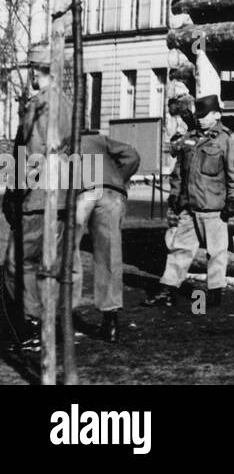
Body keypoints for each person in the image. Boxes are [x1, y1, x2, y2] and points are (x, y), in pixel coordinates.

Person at [2, 47, 80, 350]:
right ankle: (49, 324)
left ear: (36, 71)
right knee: (51, 263)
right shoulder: (68, 104)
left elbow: (32, 156)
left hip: (37, 198)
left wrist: (15, 191)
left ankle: (31, 325)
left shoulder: (39, 107)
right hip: (61, 197)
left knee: (17, 264)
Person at [144, 94, 234, 312]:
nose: (200, 120)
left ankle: (214, 294)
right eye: (198, 116)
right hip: (188, 206)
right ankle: (168, 290)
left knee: (216, 252)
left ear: (217, 115)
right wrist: (175, 196)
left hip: (213, 207)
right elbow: (178, 172)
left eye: (205, 115)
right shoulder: (190, 139)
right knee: (179, 249)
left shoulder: (228, 140)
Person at [75, 128, 140, 343]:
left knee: (67, 248)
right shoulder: (99, 139)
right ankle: (110, 320)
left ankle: (63, 310)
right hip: (111, 193)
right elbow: (132, 155)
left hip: (82, 193)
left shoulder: (61, 139)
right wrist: (116, 178)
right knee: (109, 254)